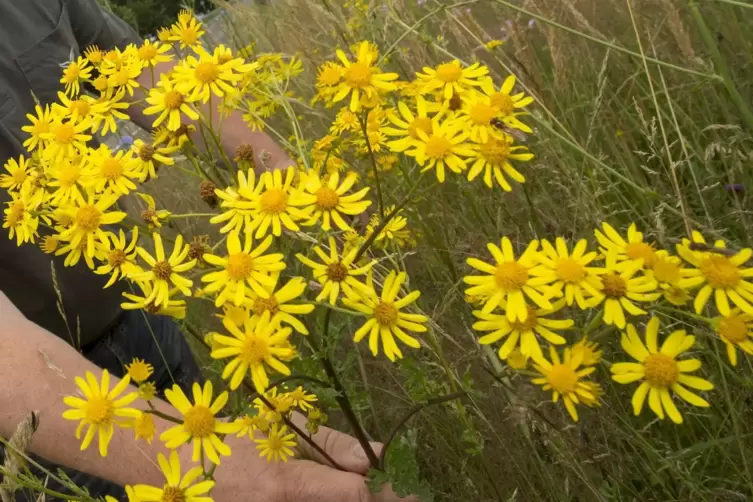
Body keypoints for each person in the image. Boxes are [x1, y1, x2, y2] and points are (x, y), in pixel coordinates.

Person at [0, 2, 412, 501]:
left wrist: (288, 180)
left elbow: (137, 70)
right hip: (36, 413)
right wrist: (245, 472)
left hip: (140, 316)